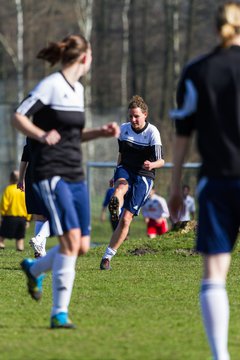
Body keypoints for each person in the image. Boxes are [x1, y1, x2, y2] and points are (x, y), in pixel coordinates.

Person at [13, 34, 120, 329]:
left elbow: (73, 136)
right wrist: (40, 135)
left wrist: (99, 133)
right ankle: (59, 314)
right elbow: (18, 116)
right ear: (84, 58)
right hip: (50, 174)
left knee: (82, 245)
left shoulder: (78, 91)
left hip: (76, 173)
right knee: (69, 243)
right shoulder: (51, 86)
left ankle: (34, 269)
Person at [168, 2, 240, 359]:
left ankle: (220, 356)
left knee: (215, 273)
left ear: (216, 29)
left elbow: (182, 134)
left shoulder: (197, 71)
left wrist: (174, 184)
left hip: (217, 181)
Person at [100, 95, 165, 270]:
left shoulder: (153, 132)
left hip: (144, 174)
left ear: (145, 114)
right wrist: (116, 172)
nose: (133, 119)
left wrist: (151, 164)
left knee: (127, 220)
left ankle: (107, 257)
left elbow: (161, 161)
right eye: (131, 116)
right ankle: (116, 207)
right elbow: (120, 155)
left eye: (136, 116)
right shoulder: (123, 130)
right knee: (120, 187)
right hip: (125, 169)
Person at [18, 138, 50, 257]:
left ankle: (39, 251)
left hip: (30, 177)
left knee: (39, 216)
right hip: (45, 177)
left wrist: (20, 179)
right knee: (54, 215)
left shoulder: (30, 139)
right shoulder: (49, 138)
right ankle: (38, 239)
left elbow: (24, 160)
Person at [0, 170, 31, 251]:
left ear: (11, 179)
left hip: (9, 217)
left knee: (2, 235)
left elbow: (4, 204)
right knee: (20, 237)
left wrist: (2, 215)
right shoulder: (24, 190)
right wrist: (28, 219)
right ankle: (20, 248)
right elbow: (28, 205)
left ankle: (1, 244)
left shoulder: (9, 189)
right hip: (22, 218)